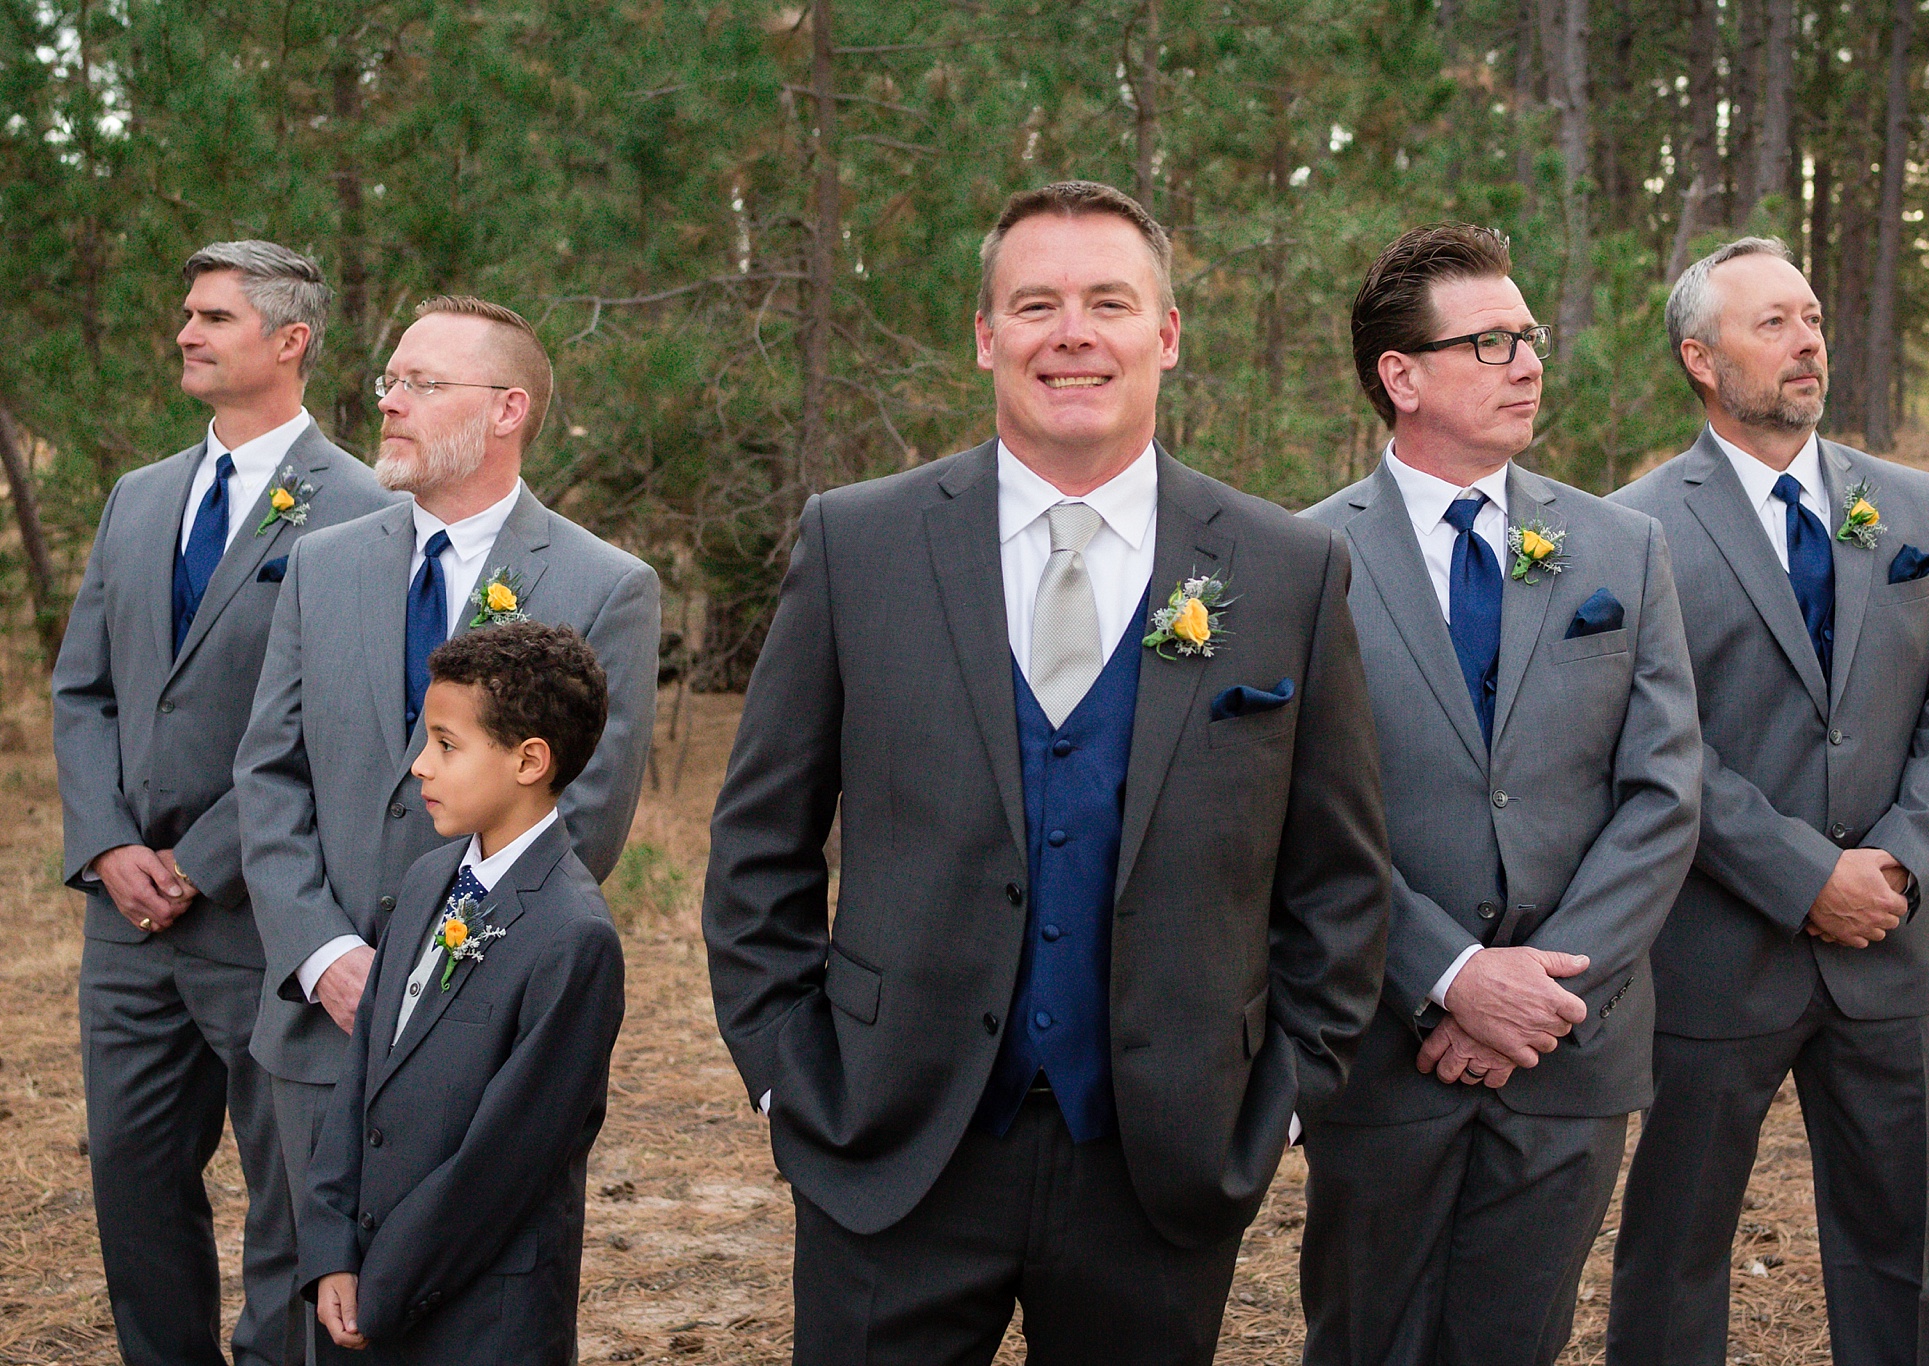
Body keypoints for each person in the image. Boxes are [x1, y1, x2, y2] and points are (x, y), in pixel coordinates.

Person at [701, 179, 1392, 1365]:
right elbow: (759, 846)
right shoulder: (857, 543)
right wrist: (788, 1079)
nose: (1071, 332)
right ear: (984, 337)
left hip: (1161, 1163)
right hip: (890, 1151)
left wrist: (1277, 1098)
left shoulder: (1287, 570)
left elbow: (1337, 879)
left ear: (1164, 335)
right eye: (1034, 304)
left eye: (1108, 302)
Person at [1296, 223, 1702, 1365]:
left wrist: (1540, 996)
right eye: (1488, 342)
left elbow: (1663, 792)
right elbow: (1297, 820)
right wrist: (1450, 978)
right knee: (1362, 1341)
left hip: (1569, 1050)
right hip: (1380, 1052)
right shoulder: (1300, 561)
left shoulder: (1622, 549)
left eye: (1525, 337)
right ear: (1401, 376)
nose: (1527, 361)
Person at [234, 295, 659, 1342]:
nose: (389, 400)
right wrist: (325, 951)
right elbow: (268, 771)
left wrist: (440, 972)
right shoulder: (321, 564)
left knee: (461, 1291)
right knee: (294, 1293)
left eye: (422, 383)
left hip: (477, 1031)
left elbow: (584, 811)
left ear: (506, 408)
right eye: (389, 380)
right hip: (317, 1014)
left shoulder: (604, 586)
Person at [1607, 236, 1929, 1365]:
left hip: (1889, 947)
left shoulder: (1910, 505)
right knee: (1672, 1250)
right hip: (1714, 956)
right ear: (1698, 356)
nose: (1806, 341)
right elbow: (1650, 741)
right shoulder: (1631, 530)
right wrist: (1799, 876)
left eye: (1812, 316)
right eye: (1770, 323)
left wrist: (1895, 863)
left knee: (1897, 1247)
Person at [52, 240, 396, 1366]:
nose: (186, 333)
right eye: (185, 313)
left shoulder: (361, 510)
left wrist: (199, 860)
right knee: (132, 1186)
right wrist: (107, 845)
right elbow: (84, 688)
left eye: (214, 317)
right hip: (125, 923)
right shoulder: (137, 497)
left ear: (290, 341)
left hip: (263, 920)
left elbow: (336, 728)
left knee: (289, 1198)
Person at [296, 621, 625, 1364]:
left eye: (447, 745)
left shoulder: (573, 937)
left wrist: (384, 1288)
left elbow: (502, 1164)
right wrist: (330, 1251)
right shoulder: (423, 884)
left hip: (481, 1319)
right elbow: (361, 1082)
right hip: (363, 1288)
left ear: (529, 760)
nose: (420, 766)